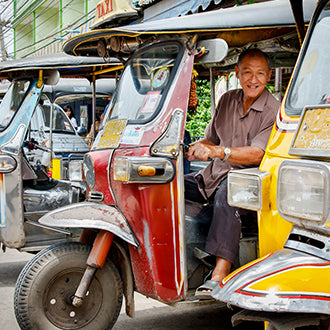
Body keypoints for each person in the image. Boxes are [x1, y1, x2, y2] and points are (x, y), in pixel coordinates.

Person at [185, 48, 280, 299]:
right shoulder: (227, 100)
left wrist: (219, 151)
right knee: (172, 185)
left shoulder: (274, 110)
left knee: (229, 193)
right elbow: (211, 139)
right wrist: (196, 147)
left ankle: (219, 273)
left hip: (249, 185)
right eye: (247, 72)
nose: (253, 79)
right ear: (237, 73)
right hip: (213, 175)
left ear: (268, 76)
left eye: (260, 73)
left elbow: (257, 154)